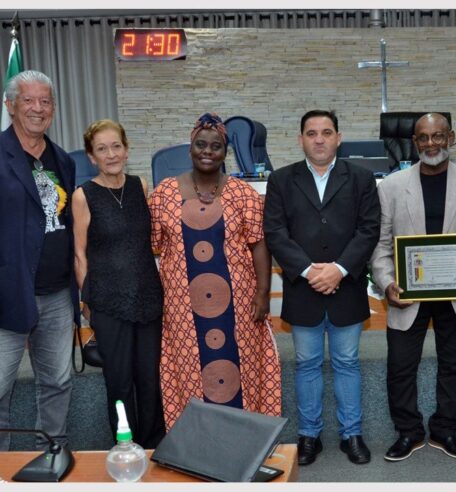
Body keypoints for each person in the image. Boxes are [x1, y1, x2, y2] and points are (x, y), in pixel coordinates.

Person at [370, 113, 456, 462]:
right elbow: (381, 246)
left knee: (454, 365)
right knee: (400, 366)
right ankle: (408, 432)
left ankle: (445, 431)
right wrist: (388, 282)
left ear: (451, 138)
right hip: (407, 295)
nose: (431, 144)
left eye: (438, 136)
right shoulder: (392, 186)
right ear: (414, 142)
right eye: (423, 138)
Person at [149, 113, 281, 430]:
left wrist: (262, 295)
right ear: (191, 148)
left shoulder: (242, 194)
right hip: (183, 310)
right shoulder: (163, 194)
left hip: (239, 308)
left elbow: (259, 244)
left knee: (242, 370)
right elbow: (154, 246)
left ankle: (244, 442)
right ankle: (198, 446)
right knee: (191, 373)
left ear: (226, 152)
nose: (208, 151)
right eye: (201, 144)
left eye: (216, 146)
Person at [263, 110, 380, 466]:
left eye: (326, 132)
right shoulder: (282, 180)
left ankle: (351, 435)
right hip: (304, 287)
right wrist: (310, 270)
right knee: (307, 363)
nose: (319, 139)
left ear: (338, 138)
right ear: (300, 139)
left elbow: (369, 229)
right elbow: (276, 232)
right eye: (311, 133)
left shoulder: (361, 178)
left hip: (346, 286)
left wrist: (340, 269)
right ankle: (309, 435)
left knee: (347, 362)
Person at [71, 119, 166, 447]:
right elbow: (80, 255)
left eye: (116, 146)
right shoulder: (83, 196)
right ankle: (127, 447)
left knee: (150, 380)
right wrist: (88, 303)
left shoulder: (141, 185)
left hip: (149, 297)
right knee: (120, 383)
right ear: (91, 157)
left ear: (126, 149)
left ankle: (155, 445)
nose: (110, 154)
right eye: (101, 149)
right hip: (109, 302)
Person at [0, 70, 79, 450]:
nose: (38, 108)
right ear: (10, 106)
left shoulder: (62, 160)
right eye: (28, 100)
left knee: (58, 382)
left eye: (45, 101)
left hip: (58, 294)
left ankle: (51, 455)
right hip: (8, 293)